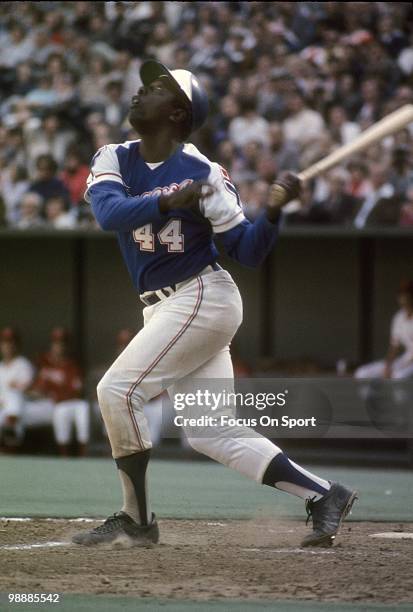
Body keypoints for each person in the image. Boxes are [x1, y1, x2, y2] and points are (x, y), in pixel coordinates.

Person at [72, 60, 357, 549]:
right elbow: (107, 214)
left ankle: (136, 518)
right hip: (164, 307)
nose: (142, 91)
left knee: (117, 391)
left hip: (202, 295)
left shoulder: (204, 172)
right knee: (210, 432)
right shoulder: (114, 156)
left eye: (157, 88)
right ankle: (325, 495)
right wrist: (166, 202)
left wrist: (273, 211)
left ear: (179, 114)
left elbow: (247, 250)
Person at [26, 328, 89, 456]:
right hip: (49, 403)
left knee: (82, 409)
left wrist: (55, 393)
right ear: (52, 344)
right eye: (56, 343)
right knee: (60, 411)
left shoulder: (72, 365)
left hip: (69, 402)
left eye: (62, 343)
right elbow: (34, 387)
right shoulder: (44, 362)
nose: (59, 346)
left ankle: (83, 453)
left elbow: (77, 390)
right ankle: (63, 455)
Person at [355, 281, 413, 380]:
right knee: (362, 373)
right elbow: (394, 345)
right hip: (405, 359)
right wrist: (388, 366)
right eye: (402, 297)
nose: (404, 301)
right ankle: (372, 396)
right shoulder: (398, 317)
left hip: (410, 362)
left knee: (399, 376)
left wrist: (403, 367)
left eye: (407, 297)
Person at [0, 328, 34, 450]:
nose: (8, 346)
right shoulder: (0, 367)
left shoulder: (23, 364)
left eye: (11, 342)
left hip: (23, 405)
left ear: (16, 345)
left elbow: (26, 388)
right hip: (3, 408)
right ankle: (9, 432)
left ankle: (11, 430)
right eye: (5, 342)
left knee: (13, 395)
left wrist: (15, 387)